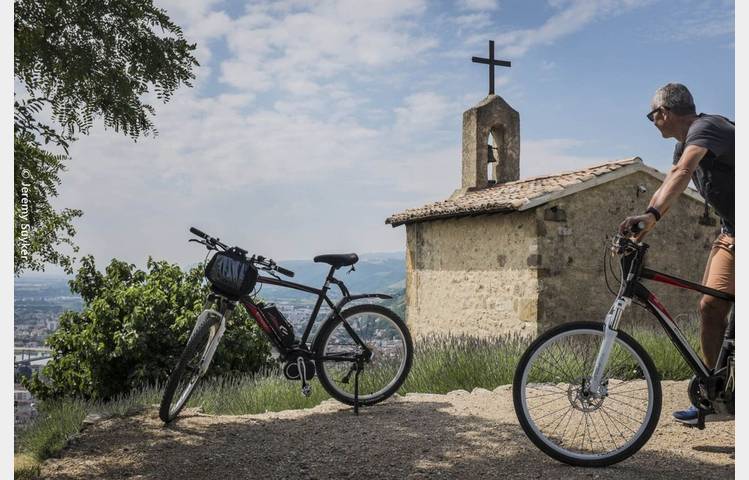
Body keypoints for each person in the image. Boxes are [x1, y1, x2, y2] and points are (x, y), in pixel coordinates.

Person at [619, 82, 734, 426]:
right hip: (733, 234)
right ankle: (717, 397)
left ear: (664, 113)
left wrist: (649, 217)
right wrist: (645, 225)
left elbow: (685, 172)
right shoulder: (683, 147)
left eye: (652, 115)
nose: (653, 121)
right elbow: (674, 177)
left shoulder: (708, 127)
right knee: (711, 306)